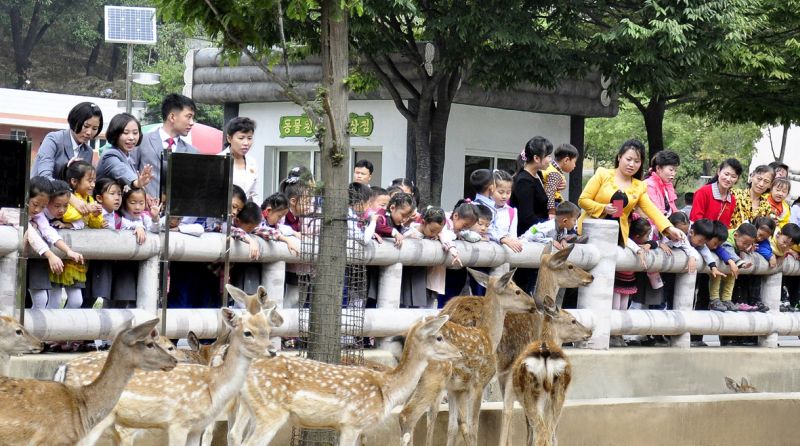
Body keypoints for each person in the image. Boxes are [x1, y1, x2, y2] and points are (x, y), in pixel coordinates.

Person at [578, 139, 684, 245]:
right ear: (619, 157)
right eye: (628, 159)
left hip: (616, 237)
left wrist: (670, 229)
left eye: (637, 161)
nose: (632, 164)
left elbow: (653, 211)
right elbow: (583, 200)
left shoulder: (639, 186)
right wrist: (603, 208)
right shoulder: (603, 174)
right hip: (590, 232)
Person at [31, 102, 103, 215]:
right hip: (39, 205)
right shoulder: (53, 140)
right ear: (74, 121)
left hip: (65, 210)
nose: (89, 132)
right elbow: (44, 176)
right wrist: (71, 198)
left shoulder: (88, 151)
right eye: (86, 126)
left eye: (95, 128)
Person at [25, 177, 84, 309]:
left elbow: (48, 231)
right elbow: (31, 234)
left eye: (43, 206)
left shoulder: (38, 215)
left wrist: (68, 251)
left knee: (44, 300)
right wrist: (50, 255)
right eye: (35, 204)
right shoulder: (17, 211)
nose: (37, 210)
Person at [130, 93, 199, 199]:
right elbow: (129, 173)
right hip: (143, 211)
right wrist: (142, 195)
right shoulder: (142, 141)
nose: (192, 123)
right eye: (188, 117)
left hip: (176, 214)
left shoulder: (193, 152)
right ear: (172, 117)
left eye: (192, 118)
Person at [404, 206, 461, 308]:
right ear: (423, 222)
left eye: (438, 231)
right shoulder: (410, 233)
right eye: (432, 230)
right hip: (411, 275)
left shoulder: (439, 234)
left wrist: (453, 251)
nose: (435, 234)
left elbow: (449, 237)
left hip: (429, 277)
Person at [610, 217, 654, 347]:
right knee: (615, 307)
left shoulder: (642, 243)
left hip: (629, 280)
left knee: (623, 308)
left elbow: (654, 242)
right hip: (619, 279)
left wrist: (649, 244)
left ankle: (619, 333)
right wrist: (639, 249)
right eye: (646, 235)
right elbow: (627, 240)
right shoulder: (625, 240)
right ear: (637, 235)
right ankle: (612, 333)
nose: (648, 238)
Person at [96, 113, 154, 191]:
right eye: (126, 133)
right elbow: (120, 170)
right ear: (115, 134)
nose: (131, 138)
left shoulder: (127, 155)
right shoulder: (110, 155)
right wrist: (136, 183)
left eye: (135, 133)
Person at [708, 223, 757, 312]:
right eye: (744, 243)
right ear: (735, 235)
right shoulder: (727, 239)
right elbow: (728, 250)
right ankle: (714, 300)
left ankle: (726, 299)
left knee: (732, 277)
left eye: (748, 244)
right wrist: (741, 263)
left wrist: (745, 250)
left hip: (730, 263)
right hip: (719, 262)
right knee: (716, 278)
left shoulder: (738, 240)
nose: (745, 246)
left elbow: (738, 249)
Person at [689, 158, 742, 227]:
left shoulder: (732, 200)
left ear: (737, 179)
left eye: (733, 176)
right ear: (719, 172)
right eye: (726, 174)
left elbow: (725, 227)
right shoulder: (703, 192)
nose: (728, 179)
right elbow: (695, 220)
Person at [219, 117, 260, 203]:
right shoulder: (218, 161)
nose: (246, 143)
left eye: (249, 138)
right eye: (241, 138)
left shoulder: (252, 162)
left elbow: (254, 194)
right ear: (229, 138)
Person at [486, 170, 521, 252]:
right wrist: (502, 239)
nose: (504, 196)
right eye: (500, 192)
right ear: (491, 189)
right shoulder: (484, 208)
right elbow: (487, 229)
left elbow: (513, 236)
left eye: (508, 193)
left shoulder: (512, 211)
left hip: (504, 253)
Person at [730, 164, 774, 229]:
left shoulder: (767, 207)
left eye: (766, 181)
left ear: (770, 185)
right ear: (752, 177)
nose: (761, 184)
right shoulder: (735, 194)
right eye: (759, 179)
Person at [543, 143, 579, 218]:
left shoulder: (550, 167)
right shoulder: (554, 173)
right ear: (566, 160)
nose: (575, 166)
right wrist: (552, 212)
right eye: (574, 162)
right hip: (552, 206)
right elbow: (550, 193)